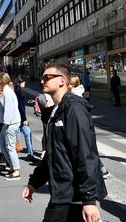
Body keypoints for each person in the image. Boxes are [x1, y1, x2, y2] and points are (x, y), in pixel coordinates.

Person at [22, 63, 106, 222]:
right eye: (42, 77)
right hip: (62, 192)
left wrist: (88, 200)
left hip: (72, 194)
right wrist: (34, 182)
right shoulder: (56, 110)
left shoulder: (74, 108)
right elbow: (54, 154)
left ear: (62, 80)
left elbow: (85, 153)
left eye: (47, 77)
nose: (42, 81)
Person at [0, 73, 22, 180]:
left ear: (2, 82)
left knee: (10, 147)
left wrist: (6, 123)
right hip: (8, 122)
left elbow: (9, 110)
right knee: (2, 144)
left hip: (10, 123)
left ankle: (16, 170)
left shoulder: (7, 92)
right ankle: (12, 166)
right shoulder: (7, 91)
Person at [15, 78, 38, 162]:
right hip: (19, 120)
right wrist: (24, 119)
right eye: (24, 83)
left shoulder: (19, 92)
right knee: (17, 138)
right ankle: (12, 157)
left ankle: (30, 154)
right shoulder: (19, 92)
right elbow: (20, 107)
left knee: (28, 134)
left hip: (20, 119)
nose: (24, 85)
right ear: (21, 83)